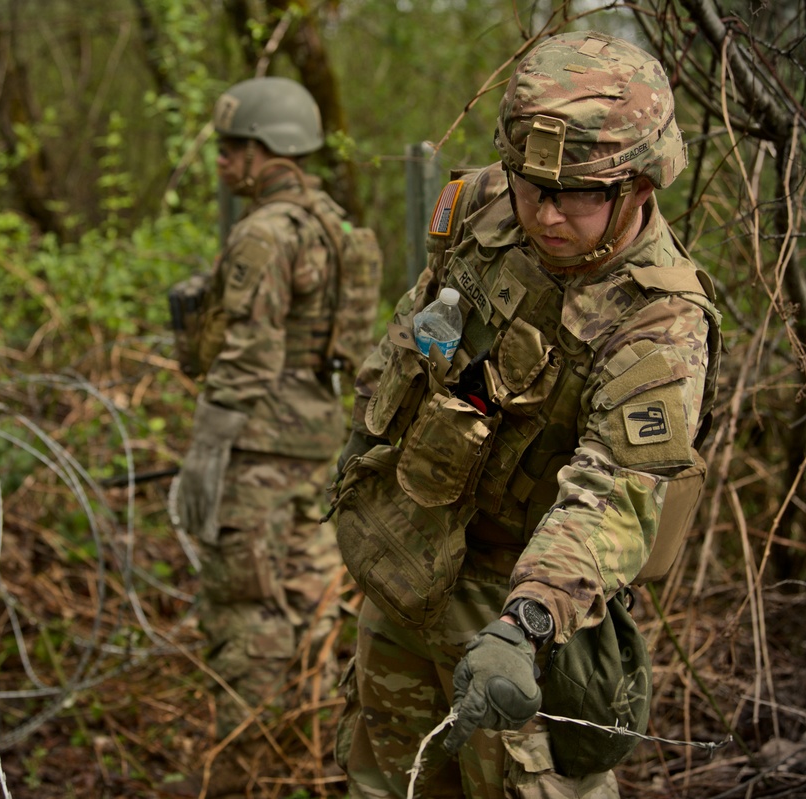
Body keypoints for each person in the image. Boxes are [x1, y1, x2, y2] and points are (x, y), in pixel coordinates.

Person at [331, 31, 722, 799]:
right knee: (386, 779)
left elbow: (611, 491)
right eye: (530, 183)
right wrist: (363, 450)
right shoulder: (482, 203)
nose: (544, 213)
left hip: (526, 607)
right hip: (413, 555)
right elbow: (421, 321)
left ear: (641, 185)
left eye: (578, 192)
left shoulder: (660, 321)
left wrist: (527, 622)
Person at [173, 75, 379, 796]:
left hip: (259, 446)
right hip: (316, 438)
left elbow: (249, 355)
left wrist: (207, 446)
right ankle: (313, 753)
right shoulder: (331, 221)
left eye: (233, 149)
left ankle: (240, 770)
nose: (223, 164)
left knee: (246, 607)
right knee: (312, 597)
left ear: (266, 152)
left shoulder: (264, 233)